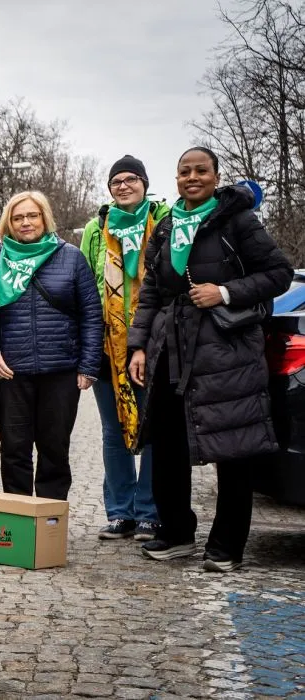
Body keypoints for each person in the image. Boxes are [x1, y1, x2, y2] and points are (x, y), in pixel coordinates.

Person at [128, 147, 292, 571]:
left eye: (201, 170)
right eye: (184, 171)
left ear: (216, 176)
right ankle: (176, 533)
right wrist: (140, 346)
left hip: (227, 349)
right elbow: (150, 293)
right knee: (165, 443)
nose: (192, 177)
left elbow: (278, 274)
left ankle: (226, 546)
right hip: (171, 347)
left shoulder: (238, 220)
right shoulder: (166, 226)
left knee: (232, 447)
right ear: (176, 178)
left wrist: (224, 292)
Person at [0, 190, 102, 501]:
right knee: (14, 450)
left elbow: (91, 312)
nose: (25, 222)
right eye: (18, 217)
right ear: (7, 222)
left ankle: (50, 520)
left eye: (32, 215)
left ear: (45, 218)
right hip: (11, 372)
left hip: (60, 371)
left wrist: (89, 365)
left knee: (54, 450)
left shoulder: (70, 257)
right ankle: (18, 518)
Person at [80, 155, 170, 541]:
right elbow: (84, 286)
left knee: (153, 428)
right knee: (113, 431)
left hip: (154, 343)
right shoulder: (95, 230)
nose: (123, 185)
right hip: (107, 346)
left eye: (131, 179)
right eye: (116, 181)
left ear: (145, 183)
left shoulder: (164, 223)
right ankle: (120, 513)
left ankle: (149, 511)